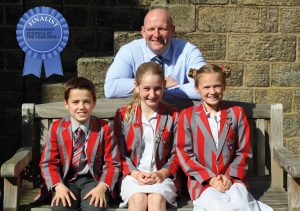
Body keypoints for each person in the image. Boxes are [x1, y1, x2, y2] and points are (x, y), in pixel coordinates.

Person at [176, 64, 273, 211]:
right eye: (206, 87)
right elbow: (184, 153)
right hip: (202, 182)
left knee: (241, 205)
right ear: (197, 89)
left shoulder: (236, 113)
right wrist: (210, 178)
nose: (212, 92)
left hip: (233, 179)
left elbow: (243, 151)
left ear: (224, 86)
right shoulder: (187, 116)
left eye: (217, 86)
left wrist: (229, 176)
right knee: (217, 207)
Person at [39, 77, 120, 211]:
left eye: (86, 102)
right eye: (75, 102)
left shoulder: (104, 128)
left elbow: (113, 163)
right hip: (66, 181)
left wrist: (101, 187)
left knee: (94, 208)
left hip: (94, 180)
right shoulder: (56, 128)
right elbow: (48, 163)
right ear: (66, 103)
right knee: (61, 207)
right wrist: (58, 186)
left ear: (94, 103)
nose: (81, 107)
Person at [114, 62, 180, 211]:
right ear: (136, 86)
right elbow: (120, 153)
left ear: (164, 85)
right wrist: (136, 174)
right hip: (133, 175)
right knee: (138, 200)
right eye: (146, 89)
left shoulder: (173, 116)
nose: (152, 94)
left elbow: (177, 152)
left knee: (156, 200)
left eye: (157, 88)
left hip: (163, 176)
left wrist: (162, 173)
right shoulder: (124, 115)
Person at [104, 8, 206, 100]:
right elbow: (111, 88)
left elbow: (205, 85)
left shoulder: (188, 51)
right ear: (143, 32)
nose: (156, 35)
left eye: (162, 29)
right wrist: (157, 84)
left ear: (172, 30)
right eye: (151, 29)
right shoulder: (129, 51)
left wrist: (159, 91)